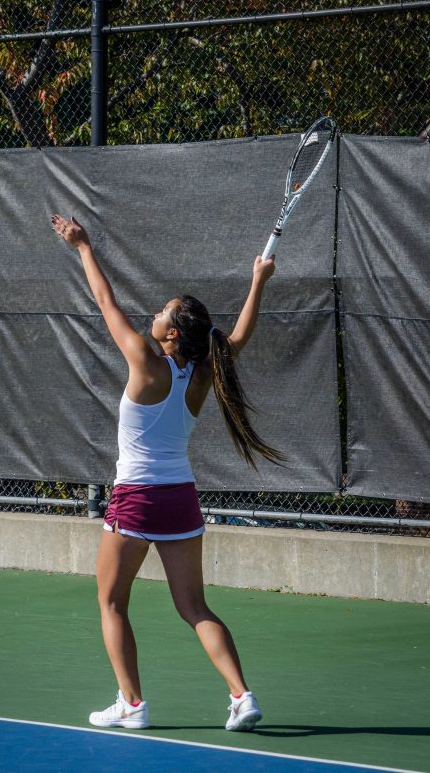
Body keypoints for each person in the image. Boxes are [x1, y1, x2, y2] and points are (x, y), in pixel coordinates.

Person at [51, 213, 284, 732]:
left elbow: (105, 302)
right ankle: (242, 696)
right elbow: (240, 336)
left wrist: (83, 246)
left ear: (171, 332)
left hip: (135, 499)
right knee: (195, 606)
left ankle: (132, 704)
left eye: (160, 312)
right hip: (181, 500)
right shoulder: (205, 373)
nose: (152, 316)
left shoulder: (143, 359)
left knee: (111, 601)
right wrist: (257, 282)